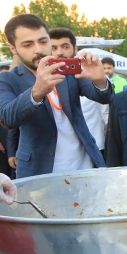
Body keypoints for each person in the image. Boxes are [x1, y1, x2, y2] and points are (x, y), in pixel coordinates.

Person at [0, 14, 113, 178]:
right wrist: (37, 91)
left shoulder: (67, 70)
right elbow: (7, 118)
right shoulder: (7, 79)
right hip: (40, 170)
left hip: (84, 165)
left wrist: (100, 81)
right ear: (13, 48)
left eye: (43, 41)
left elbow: (104, 97)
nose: (39, 49)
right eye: (28, 44)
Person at [50, 28, 109, 159]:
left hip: (83, 154)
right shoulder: (34, 78)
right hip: (48, 158)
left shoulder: (79, 76)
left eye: (65, 47)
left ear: (75, 48)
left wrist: (100, 81)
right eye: (53, 48)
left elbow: (104, 97)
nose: (59, 53)